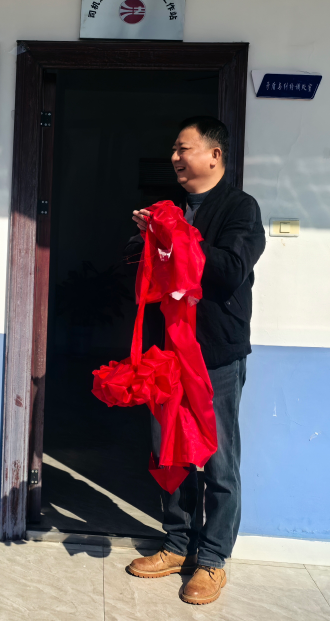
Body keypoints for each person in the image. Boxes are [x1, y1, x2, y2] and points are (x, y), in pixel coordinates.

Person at [124, 116, 265, 605]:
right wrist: (148, 236)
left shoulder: (240, 209)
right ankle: (177, 544)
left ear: (214, 155)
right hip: (167, 354)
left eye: (183, 148)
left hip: (215, 353)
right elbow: (135, 262)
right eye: (174, 150)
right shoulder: (170, 207)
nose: (175, 158)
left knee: (218, 460)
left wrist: (177, 237)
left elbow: (229, 271)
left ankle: (212, 560)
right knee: (171, 453)